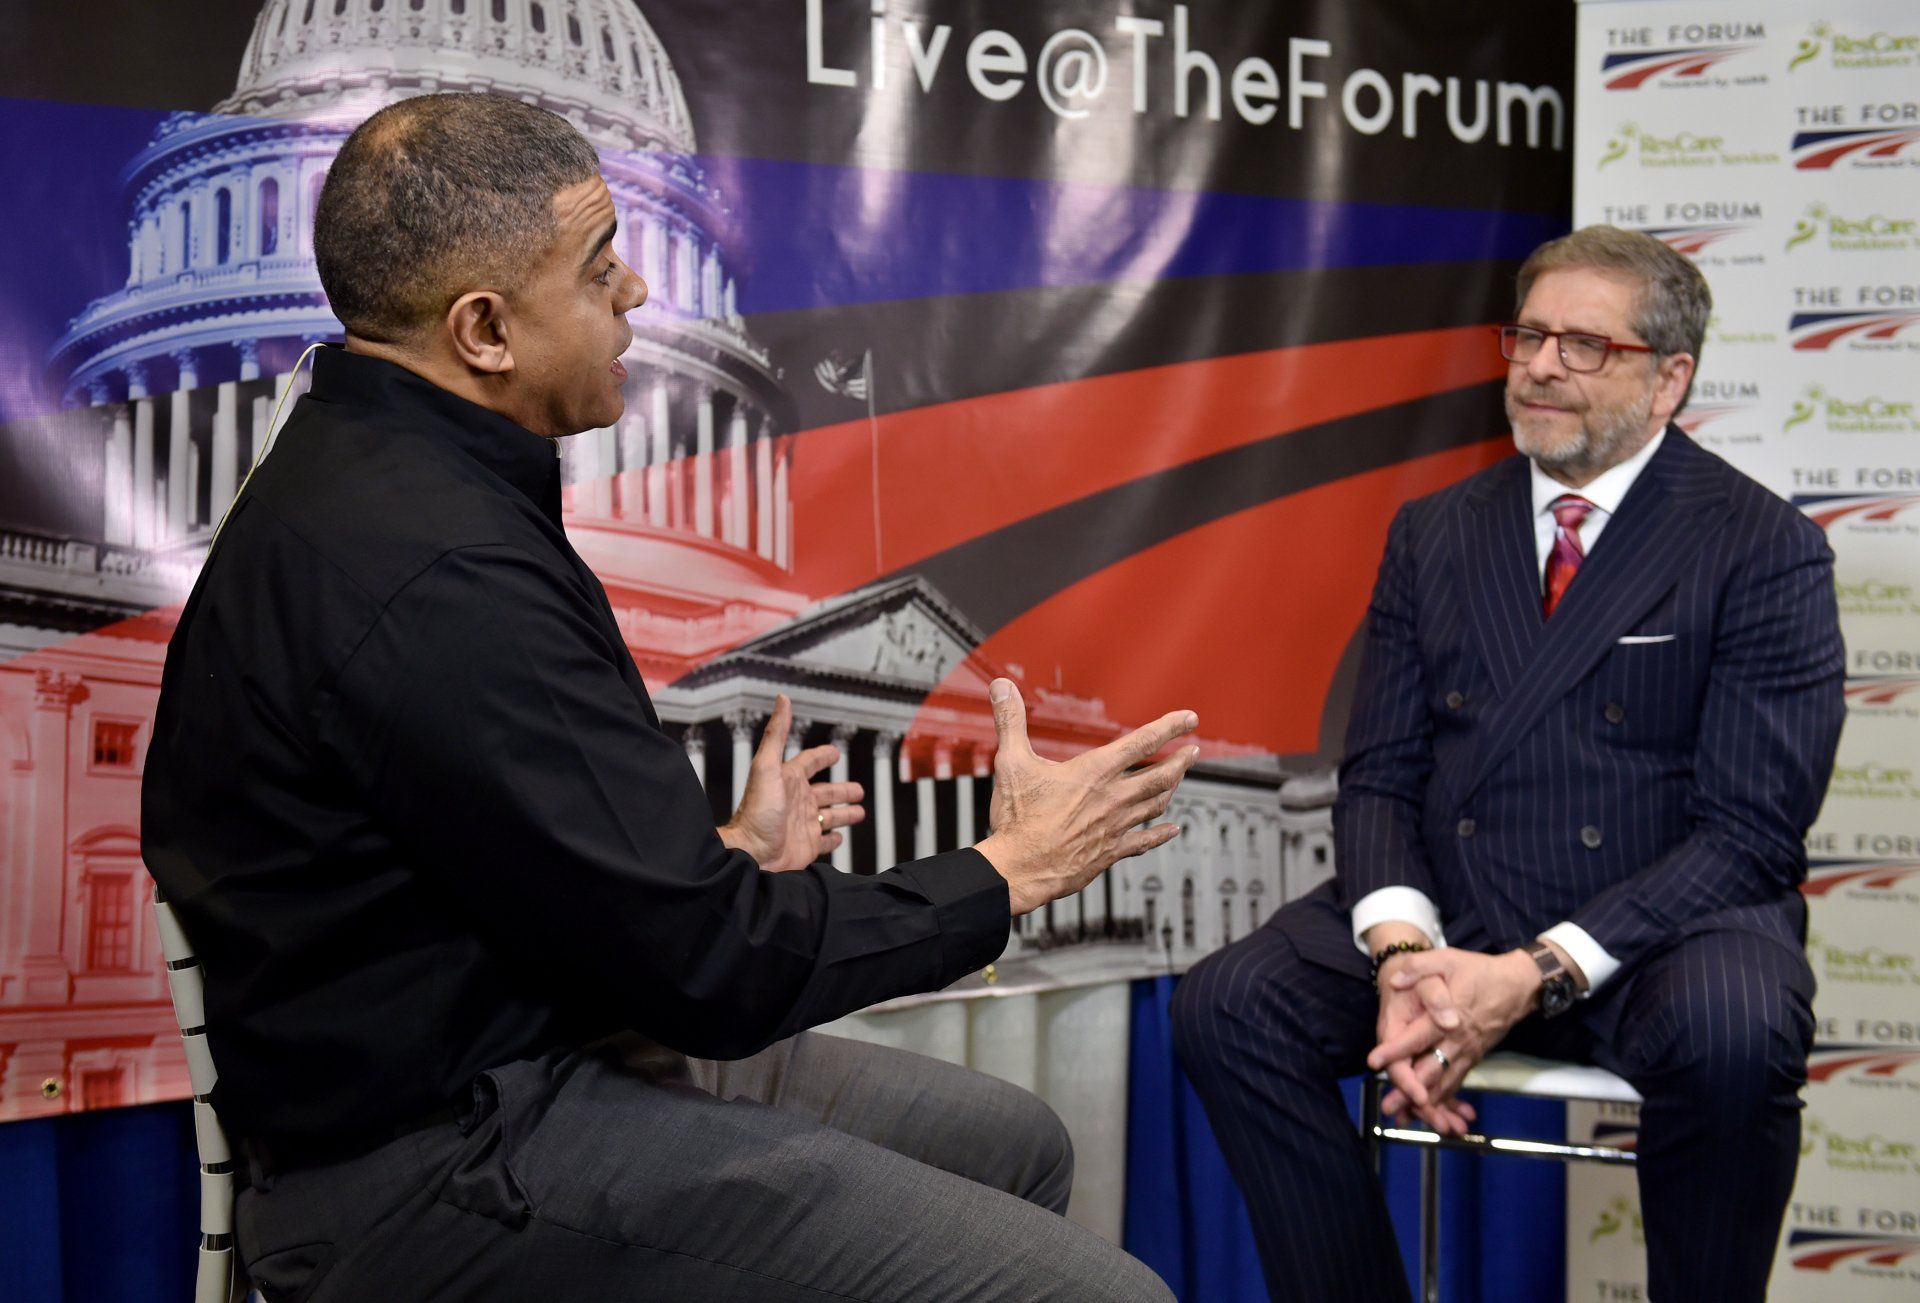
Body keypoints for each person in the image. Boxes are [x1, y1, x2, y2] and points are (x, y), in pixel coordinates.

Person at [142, 92, 1196, 1302]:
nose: (637, 293)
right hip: (440, 1162)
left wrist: (726, 855)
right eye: (598, 270)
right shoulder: (438, 569)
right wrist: (1006, 871)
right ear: (486, 328)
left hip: (525, 1047)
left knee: (1018, 1142)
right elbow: (713, 971)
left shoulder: (399, 479)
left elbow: (510, 862)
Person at [1172, 225, 1844, 1302]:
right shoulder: (1435, 531)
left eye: (1584, 345)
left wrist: (1530, 975)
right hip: (1457, 907)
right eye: (1528, 334)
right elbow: (1382, 772)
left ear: (1669, 377)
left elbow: (1750, 839)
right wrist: (1404, 955)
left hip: (1657, 930)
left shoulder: (1762, 548)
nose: (1537, 365)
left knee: (1737, 1028)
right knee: (1227, 1003)